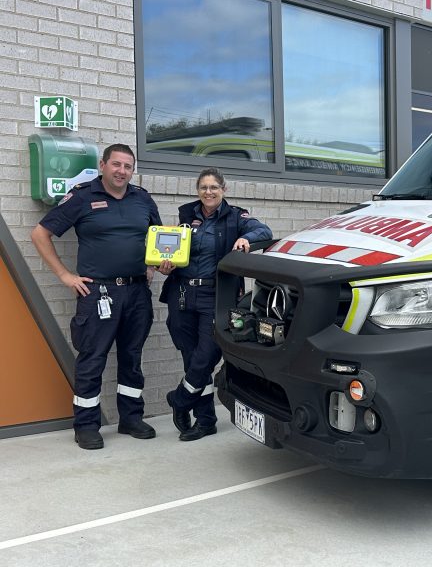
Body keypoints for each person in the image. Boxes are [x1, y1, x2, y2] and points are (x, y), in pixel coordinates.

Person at [31, 144, 162, 450]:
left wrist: (154, 263)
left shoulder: (142, 198)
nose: (122, 171)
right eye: (116, 164)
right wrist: (65, 275)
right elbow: (40, 234)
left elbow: (158, 236)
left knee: (132, 357)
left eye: (128, 166)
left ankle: (131, 418)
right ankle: (86, 425)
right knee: (92, 358)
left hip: (136, 292)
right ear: (103, 165)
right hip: (98, 292)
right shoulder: (82, 196)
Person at [158, 168, 272, 441]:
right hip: (183, 294)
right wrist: (166, 264)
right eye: (203, 187)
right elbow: (173, 253)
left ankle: (181, 398)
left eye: (213, 187)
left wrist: (247, 238)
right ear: (198, 190)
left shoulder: (235, 218)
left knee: (207, 354)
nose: (208, 192)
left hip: (216, 296)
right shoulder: (187, 217)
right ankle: (206, 420)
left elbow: (263, 230)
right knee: (191, 357)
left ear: (224, 190)